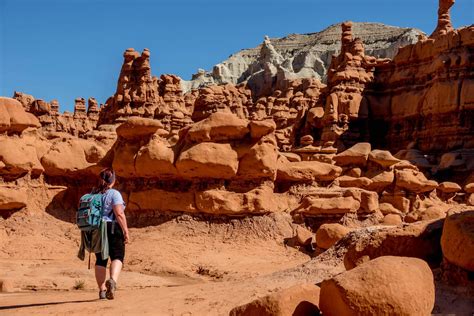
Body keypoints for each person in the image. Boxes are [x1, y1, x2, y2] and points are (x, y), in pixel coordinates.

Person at [93, 168, 130, 300]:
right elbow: (119, 213)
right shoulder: (114, 194)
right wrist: (125, 230)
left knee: (100, 259)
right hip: (112, 227)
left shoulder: (94, 193)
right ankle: (112, 281)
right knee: (117, 256)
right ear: (113, 180)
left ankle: (102, 290)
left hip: (96, 228)